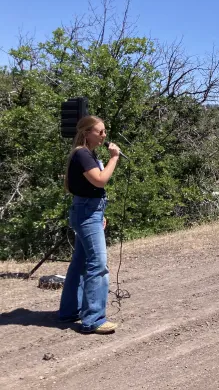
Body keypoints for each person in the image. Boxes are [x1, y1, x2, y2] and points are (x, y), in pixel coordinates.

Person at [59, 116, 121, 334]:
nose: (104, 136)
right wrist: (114, 158)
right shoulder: (83, 154)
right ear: (87, 133)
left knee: (80, 262)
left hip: (89, 211)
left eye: (104, 131)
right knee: (98, 263)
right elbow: (100, 180)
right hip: (86, 213)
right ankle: (94, 319)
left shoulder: (87, 154)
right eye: (100, 132)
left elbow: (92, 187)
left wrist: (99, 213)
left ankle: (69, 311)